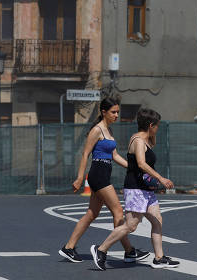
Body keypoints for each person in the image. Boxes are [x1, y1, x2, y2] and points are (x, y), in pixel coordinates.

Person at [59, 97, 149, 264]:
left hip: (103, 175)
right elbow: (85, 154)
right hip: (98, 176)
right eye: (113, 112)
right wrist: (80, 177)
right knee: (118, 212)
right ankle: (129, 251)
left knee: (92, 214)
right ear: (103, 112)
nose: (116, 115)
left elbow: (114, 156)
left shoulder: (109, 130)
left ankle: (69, 247)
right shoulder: (97, 130)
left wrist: (133, 167)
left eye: (117, 112)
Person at [90, 108, 179, 270]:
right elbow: (141, 164)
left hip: (146, 189)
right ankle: (101, 249)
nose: (157, 128)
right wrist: (161, 178)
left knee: (157, 220)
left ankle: (159, 258)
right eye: (156, 126)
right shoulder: (137, 140)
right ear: (151, 125)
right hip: (135, 189)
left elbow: (153, 142)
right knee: (131, 225)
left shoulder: (146, 139)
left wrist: (151, 132)